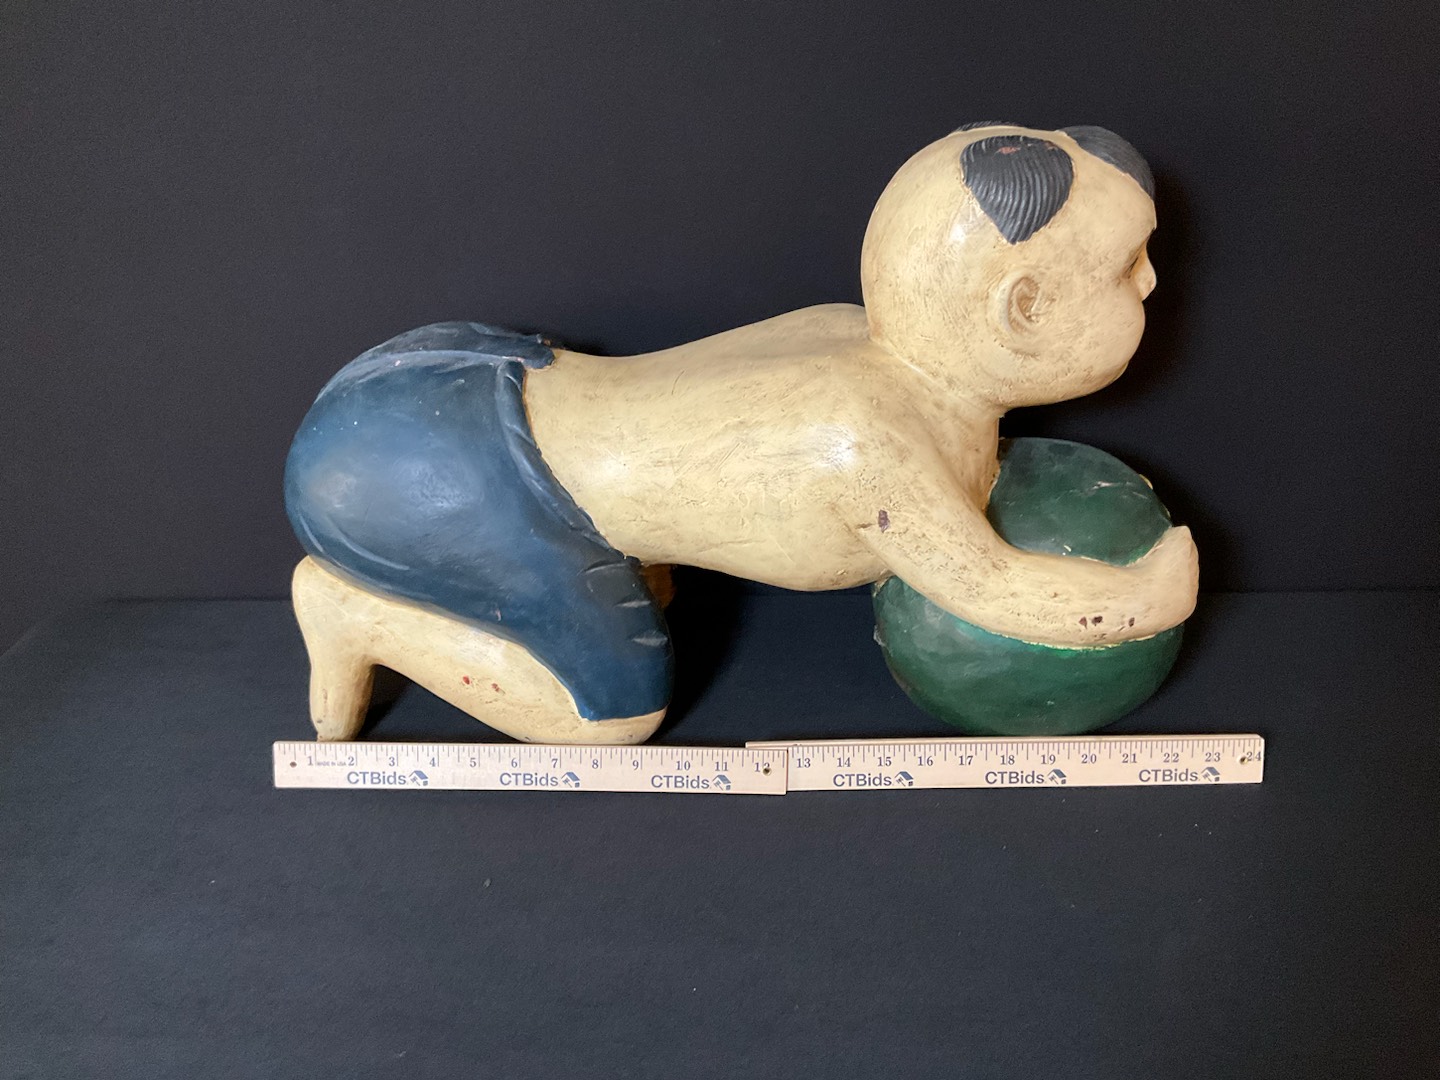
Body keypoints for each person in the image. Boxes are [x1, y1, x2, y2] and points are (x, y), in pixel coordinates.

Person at [285, 123, 1198, 743]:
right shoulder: (873, 441)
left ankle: (617, 565)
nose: (1153, 283)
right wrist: (1148, 597)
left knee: (636, 542)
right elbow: (996, 590)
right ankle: (353, 612)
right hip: (456, 476)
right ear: (1023, 309)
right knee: (611, 723)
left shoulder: (850, 331)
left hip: (475, 382)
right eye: (1127, 267)